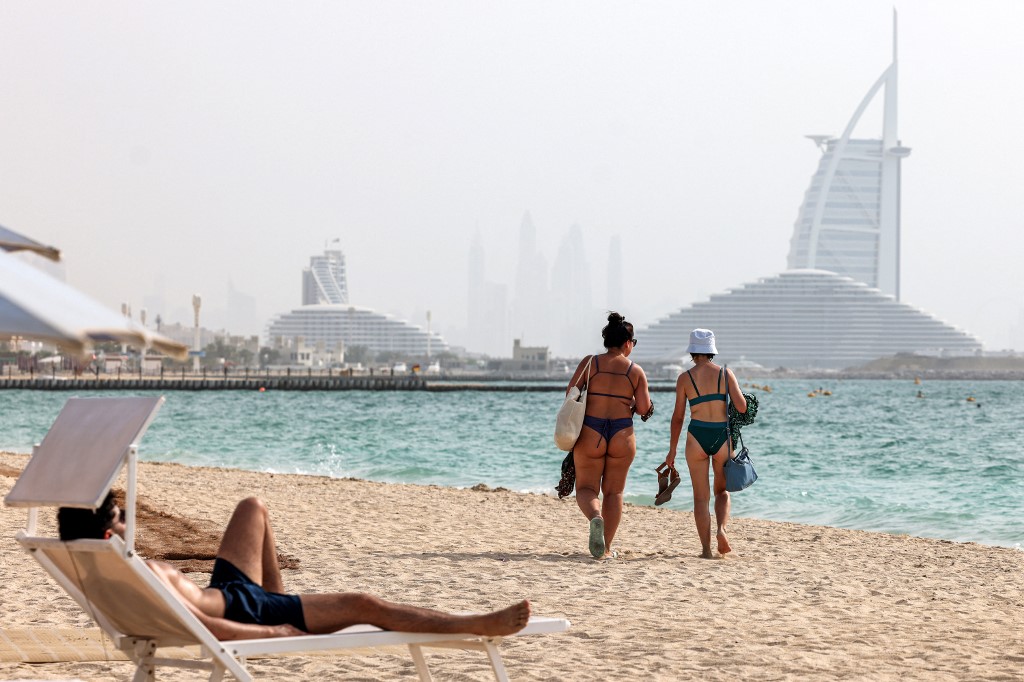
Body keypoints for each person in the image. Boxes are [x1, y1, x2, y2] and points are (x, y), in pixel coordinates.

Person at [58, 494, 530, 640]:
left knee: (252, 507)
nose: (129, 522)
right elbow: (202, 625)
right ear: (106, 532)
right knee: (365, 604)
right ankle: (475, 623)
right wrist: (275, 633)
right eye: (121, 518)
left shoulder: (100, 564)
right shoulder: (132, 568)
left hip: (231, 590)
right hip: (244, 612)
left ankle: (285, 600)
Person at [566, 312, 653, 559]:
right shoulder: (635, 371)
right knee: (614, 493)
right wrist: (632, 402)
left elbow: (571, 394)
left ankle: (596, 518)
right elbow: (645, 409)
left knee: (586, 488)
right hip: (622, 433)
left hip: (591, 432)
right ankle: (605, 549)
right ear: (627, 343)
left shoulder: (589, 363)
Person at [664, 328, 747, 559]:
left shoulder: (684, 378)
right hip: (721, 436)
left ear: (692, 351)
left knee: (701, 498)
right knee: (721, 491)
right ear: (712, 350)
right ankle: (721, 529)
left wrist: (672, 451)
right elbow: (742, 407)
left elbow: (678, 417)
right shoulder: (725, 373)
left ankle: (706, 550)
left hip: (696, 437)